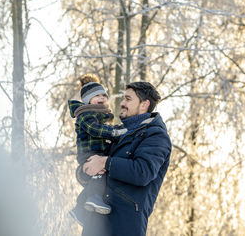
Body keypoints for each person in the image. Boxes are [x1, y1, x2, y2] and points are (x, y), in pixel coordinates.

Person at [82, 81, 172, 236]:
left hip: (124, 225)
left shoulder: (156, 136)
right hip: (96, 225)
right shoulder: (120, 133)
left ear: (144, 105)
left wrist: (105, 162)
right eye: (123, 98)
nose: (122, 103)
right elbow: (98, 169)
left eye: (128, 99)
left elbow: (142, 172)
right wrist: (84, 169)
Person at [68, 74, 127, 225]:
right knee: (99, 173)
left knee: (100, 173)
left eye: (104, 95)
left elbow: (103, 129)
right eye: (97, 95)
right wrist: (113, 133)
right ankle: (94, 198)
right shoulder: (85, 114)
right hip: (89, 153)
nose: (102, 98)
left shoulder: (98, 116)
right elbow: (94, 130)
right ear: (88, 99)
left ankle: (80, 210)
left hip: (96, 152)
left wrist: (116, 131)